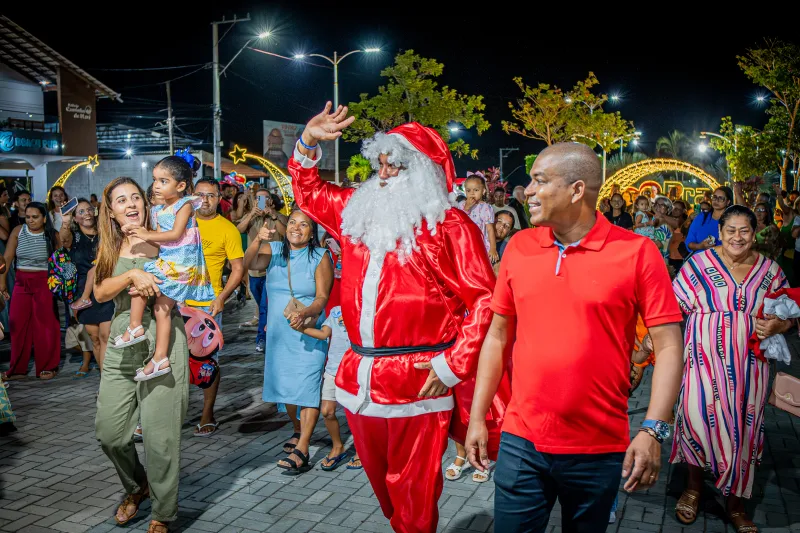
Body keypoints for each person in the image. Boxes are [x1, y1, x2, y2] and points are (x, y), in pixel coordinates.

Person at [291, 103, 496, 533]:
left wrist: (452, 364)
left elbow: (485, 299)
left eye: (394, 165)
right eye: (379, 164)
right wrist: (308, 140)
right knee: (383, 484)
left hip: (419, 377)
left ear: (422, 171)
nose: (382, 174)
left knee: (413, 491)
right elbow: (308, 192)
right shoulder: (356, 210)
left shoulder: (450, 226)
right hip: (359, 375)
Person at [464, 142, 685, 532]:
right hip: (521, 441)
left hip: (597, 447)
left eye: (539, 180)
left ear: (576, 190)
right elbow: (497, 337)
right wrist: (478, 417)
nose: (528, 191)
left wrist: (653, 429)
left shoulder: (637, 252)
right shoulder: (519, 247)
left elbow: (669, 345)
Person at [671, 205, 792, 532]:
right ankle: (693, 488)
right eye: (730, 230)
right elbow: (671, 307)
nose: (737, 237)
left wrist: (780, 324)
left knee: (744, 429)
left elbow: (789, 314)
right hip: (701, 362)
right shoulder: (698, 264)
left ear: (754, 234)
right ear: (720, 232)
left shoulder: (770, 271)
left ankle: (736, 504)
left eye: (744, 231)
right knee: (696, 418)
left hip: (750, 367)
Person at [93, 177, 188, 533]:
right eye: (121, 200)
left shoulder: (168, 237)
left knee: (160, 436)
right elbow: (100, 292)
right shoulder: (110, 246)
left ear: (146, 204)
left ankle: (162, 513)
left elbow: (188, 273)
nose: (130, 204)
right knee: (110, 433)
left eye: (135, 197)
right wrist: (132, 273)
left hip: (163, 336)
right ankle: (137, 485)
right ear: (111, 212)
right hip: (123, 338)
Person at [244, 209, 332, 474]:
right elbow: (250, 264)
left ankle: (302, 448)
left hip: (307, 332)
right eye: (292, 222)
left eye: (303, 224)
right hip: (279, 335)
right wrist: (257, 240)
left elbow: (322, 297)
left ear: (311, 231)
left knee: (307, 385)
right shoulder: (273, 250)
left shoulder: (320, 256)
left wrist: (305, 314)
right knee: (286, 388)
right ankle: (297, 429)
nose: (296, 228)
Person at [117, 155, 214, 382]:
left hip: (181, 264)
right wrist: (136, 232)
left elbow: (175, 234)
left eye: (163, 181)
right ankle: (159, 357)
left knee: (144, 286)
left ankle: (136, 328)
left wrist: (145, 234)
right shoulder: (159, 209)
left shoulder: (184, 205)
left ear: (180, 186)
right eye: (155, 180)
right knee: (161, 308)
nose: (157, 186)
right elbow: (160, 239)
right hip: (169, 260)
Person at [186, 178, 245, 436]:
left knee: (207, 362)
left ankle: (207, 414)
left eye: (211, 195)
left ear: (219, 198)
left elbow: (238, 269)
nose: (205, 200)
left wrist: (221, 298)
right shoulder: (181, 223)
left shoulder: (227, 229)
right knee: (169, 360)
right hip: (176, 304)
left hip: (206, 306)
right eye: (200, 195)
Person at [0, 202, 62, 381]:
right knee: (17, 324)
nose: (30, 220)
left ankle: (48, 366)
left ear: (44, 218)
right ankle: (17, 369)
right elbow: (7, 258)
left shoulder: (52, 235)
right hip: (21, 282)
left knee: (45, 325)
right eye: (27, 217)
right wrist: (2, 283)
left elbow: (61, 261)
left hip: (44, 282)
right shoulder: (18, 231)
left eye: (35, 217)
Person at [297, 305, 362, 470]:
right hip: (333, 370)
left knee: (357, 414)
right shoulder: (335, 311)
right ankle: (338, 446)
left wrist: (354, 320)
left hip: (355, 369)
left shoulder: (367, 310)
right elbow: (323, 334)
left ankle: (362, 450)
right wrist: (301, 329)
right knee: (327, 411)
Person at [60, 198, 114, 376]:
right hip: (84, 292)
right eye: (81, 212)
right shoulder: (74, 238)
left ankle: (110, 379)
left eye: (89, 210)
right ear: (75, 218)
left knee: (106, 335)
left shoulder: (105, 233)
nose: (87, 214)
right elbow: (64, 239)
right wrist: (65, 223)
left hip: (106, 287)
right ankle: (104, 379)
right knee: (95, 339)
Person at [236, 189, 288, 352]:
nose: (262, 201)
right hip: (254, 270)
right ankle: (271, 332)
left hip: (274, 270)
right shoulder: (251, 217)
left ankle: (262, 339)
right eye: (259, 198)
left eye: (265, 198)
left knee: (265, 307)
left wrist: (273, 214)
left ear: (271, 200)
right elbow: (238, 230)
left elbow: (286, 234)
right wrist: (252, 214)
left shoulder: (279, 216)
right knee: (261, 304)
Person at [459, 175, 499, 263]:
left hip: (480, 244)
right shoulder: (461, 205)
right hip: (464, 243)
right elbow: (459, 222)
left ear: (483, 191)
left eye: (476, 190)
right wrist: (466, 208)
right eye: (468, 190)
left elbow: (490, 229)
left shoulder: (486, 207)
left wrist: (493, 248)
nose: (472, 193)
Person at [685, 186, 733, 252]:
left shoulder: (732, 221)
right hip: (700, 257)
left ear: (728, 202)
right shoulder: (701, 217)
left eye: (721, 198)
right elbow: (689, 243)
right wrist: (700, 246)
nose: (716, 200)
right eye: (714, 197)